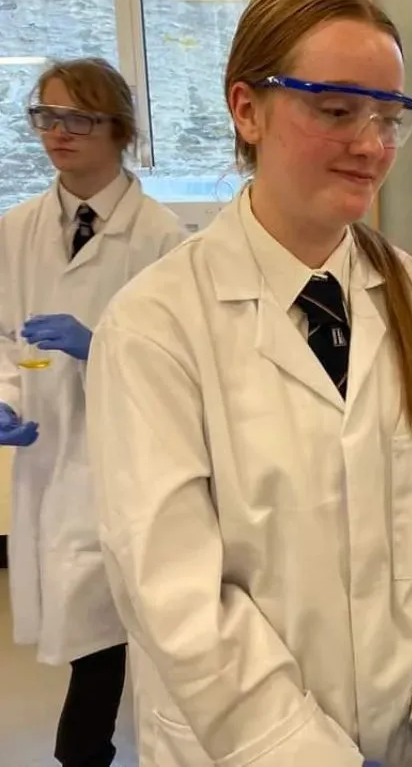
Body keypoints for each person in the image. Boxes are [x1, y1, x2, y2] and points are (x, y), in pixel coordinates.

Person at [84, 0, 412, 767]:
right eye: (338, 109)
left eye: (387, 116)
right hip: (245, 746)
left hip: (409, 734)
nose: (372, 143)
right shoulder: (156, 327)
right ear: (248, 110)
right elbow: (176, 595)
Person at [0, 57, 188, 767]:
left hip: (123, 468)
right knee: (90, 640)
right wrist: (5, 396)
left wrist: (101, 347)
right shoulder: (14, 229)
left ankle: (83, 756)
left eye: (78, 118)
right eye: (45, 117)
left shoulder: (162, 238)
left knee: (107, 641)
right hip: (49, 465)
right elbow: (3, 339)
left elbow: (179, 369)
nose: (59, 133)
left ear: (120, 130)